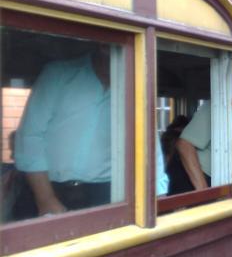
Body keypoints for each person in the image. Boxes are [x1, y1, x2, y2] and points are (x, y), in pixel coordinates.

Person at [14, 47, 167, 216]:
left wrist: (158, 194)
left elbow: (149, 143)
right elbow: (30, 137)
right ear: (99, 45)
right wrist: (45, 198)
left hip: (107, 193)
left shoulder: (135, 86)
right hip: (47, 189)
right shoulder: (59, 74)